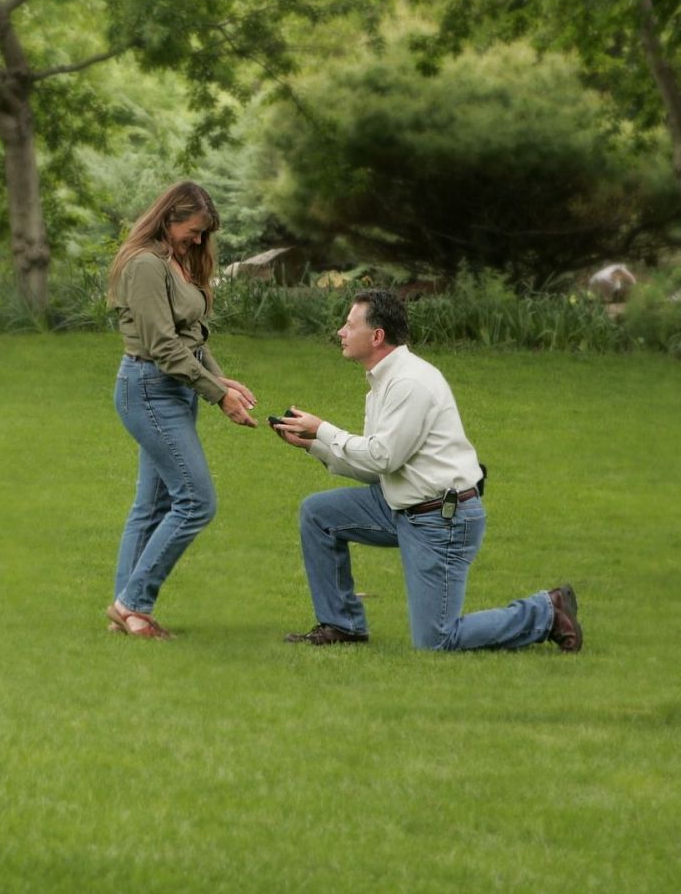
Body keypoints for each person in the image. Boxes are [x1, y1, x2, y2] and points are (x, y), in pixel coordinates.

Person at [271, 289, 583, 652]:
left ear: (377, 336)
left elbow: (383, 458)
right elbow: (379, 469)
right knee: (318, 514)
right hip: (401, 505)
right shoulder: (383, 383)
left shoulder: (409, 383)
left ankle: (547, 611)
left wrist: (322, 428)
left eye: (349, 324)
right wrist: (314, 446)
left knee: (436, 639)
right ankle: (342, 625)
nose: (340, 331)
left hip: (440, 519)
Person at [105, 181, 258, 639]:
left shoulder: (177, 262)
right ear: (169, 218)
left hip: (172, 389)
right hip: (150, 388)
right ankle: (133, 601)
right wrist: (218, 395)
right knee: (195, 501)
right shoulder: (147, 265)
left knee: (153, 505)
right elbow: (163, 346)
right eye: (192, 230)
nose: (197, 240)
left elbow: (192, 335)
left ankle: (128, 614)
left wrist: (219, 380)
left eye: (202, 233)